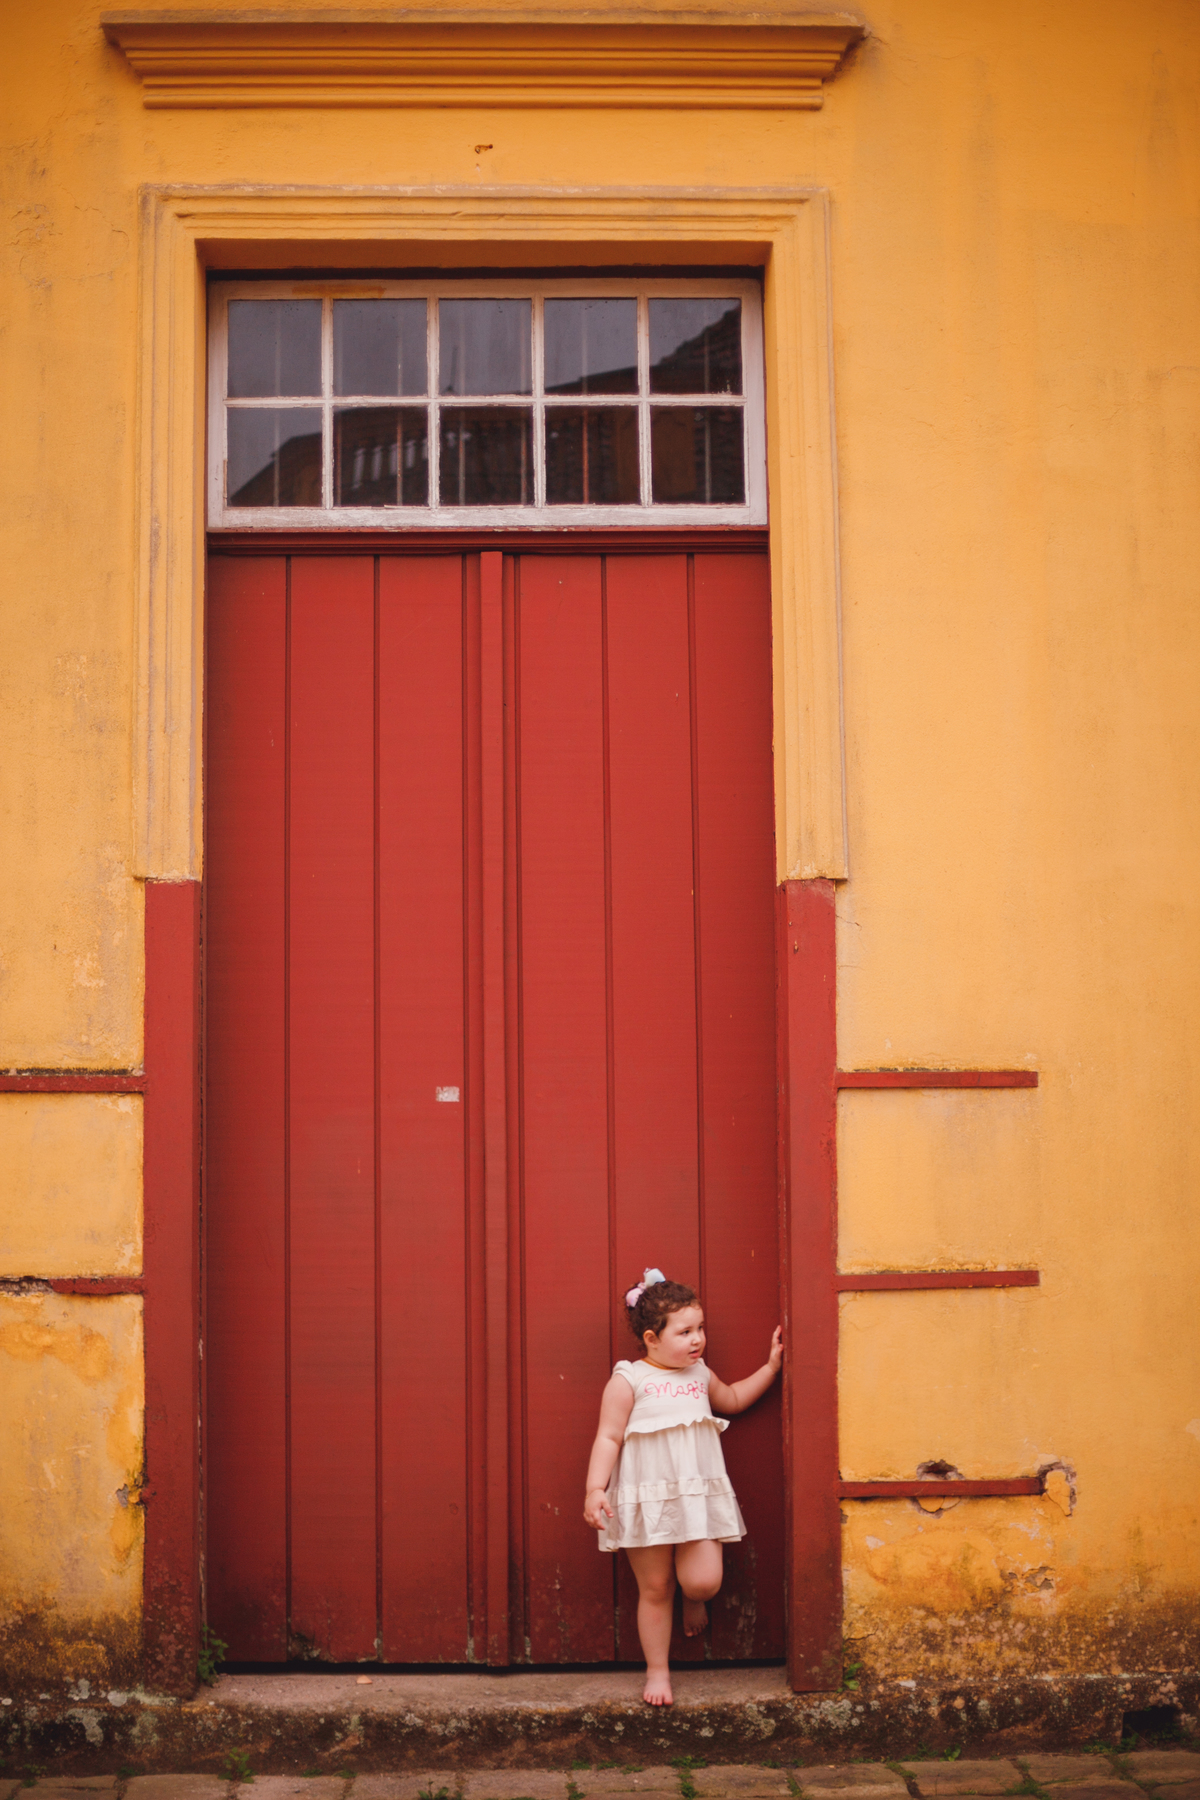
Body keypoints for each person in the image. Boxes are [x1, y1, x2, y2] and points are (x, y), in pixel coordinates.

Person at [582, 1267, 783, 1706]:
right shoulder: (629, 1380)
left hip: (694, 1498)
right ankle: (658, 1671)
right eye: (685, 1331)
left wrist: (770, 1368)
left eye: (700, 1328)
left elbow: (731, 1398)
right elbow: (608, 1437)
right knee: (655, 1589)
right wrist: (595, 1489)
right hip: (646, 1499)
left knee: (704, 1581)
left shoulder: (699, 1374)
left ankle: (694, 1599)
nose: (697, 1340)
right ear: (652, 1338)